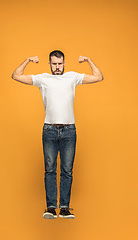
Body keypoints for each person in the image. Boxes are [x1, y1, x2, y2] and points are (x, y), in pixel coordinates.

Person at [11, 50, 104, 219]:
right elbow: (16, 75)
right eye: (54, 64)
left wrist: (89, 60)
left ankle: (65, 208)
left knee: (67, 170)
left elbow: (98, 76)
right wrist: (28, 60)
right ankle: (51, 208)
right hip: (50, 130)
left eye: (60, 64)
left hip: (69, 130)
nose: (57, 67)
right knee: (50, 170)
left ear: (64, 63)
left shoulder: (72, 77)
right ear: (49, 64)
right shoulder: (43, 78)